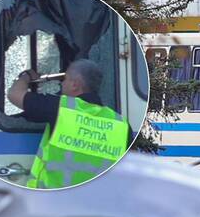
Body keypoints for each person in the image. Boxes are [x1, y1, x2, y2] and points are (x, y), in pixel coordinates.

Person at [7, 59, 131, 189]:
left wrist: (26, 76)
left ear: (75, 85)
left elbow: (14, 95)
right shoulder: (121, 125)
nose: (62, 84)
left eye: (65, 79)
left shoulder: (60, 107)